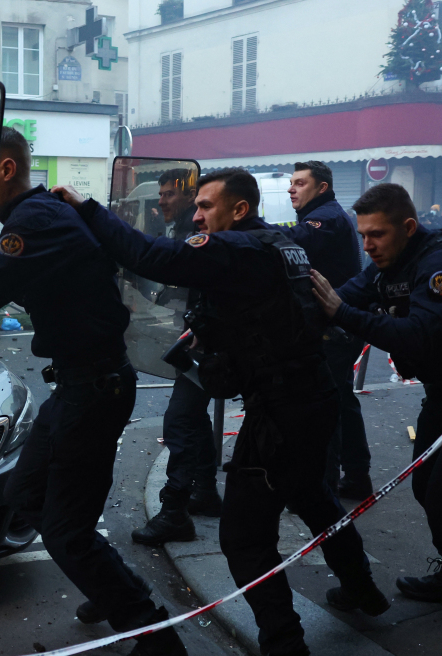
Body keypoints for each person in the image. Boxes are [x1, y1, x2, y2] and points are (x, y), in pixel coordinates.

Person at [63, 168, 387, 656]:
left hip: (279, 410)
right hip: (309, 396)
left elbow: (148, 255)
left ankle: (285, 644)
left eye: (206, 207)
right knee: (313, 496)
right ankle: (363, 589)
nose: (196, 216)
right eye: (195, 207)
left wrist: (87, 208)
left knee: (245, 540)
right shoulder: (278, 243)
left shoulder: (235, 249)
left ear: (239, 209)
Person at [0, 126, 187, 655]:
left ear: (5, 169)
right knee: (27, 497)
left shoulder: (33, 221)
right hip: (81, 384)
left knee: (65, 531)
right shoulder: (38, 215)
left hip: (93, 389)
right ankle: (105, 584)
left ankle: (152, 633)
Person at [311, 183, 442, 656]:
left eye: (377, 235)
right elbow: (342, 296)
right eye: (363, 235)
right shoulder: (392, 263)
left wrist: (342, 314)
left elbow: (419, 336)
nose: (367, 245)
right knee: (427, 487)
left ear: (408, 227)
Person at [132, 168, 220, 547]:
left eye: (170, 194)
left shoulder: (199, 234)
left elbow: (175, 266)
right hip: (209, 342)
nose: (162, 201)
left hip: (214, 344)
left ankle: (174, 512)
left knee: (181, 421)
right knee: (192, 418)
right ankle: (204, 493)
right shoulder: (189, 229)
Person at [274, 161, 371, 499]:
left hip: (336, 327)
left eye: (300, 183)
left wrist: (250, 230)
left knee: (325, 403)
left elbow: (294, 239)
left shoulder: (326, 216)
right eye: (291, 183)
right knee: (341, 399)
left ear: (322, 188)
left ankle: (324, 487)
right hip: (338, 323)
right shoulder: (323, 213)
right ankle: (356, 475)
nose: (291, 189)